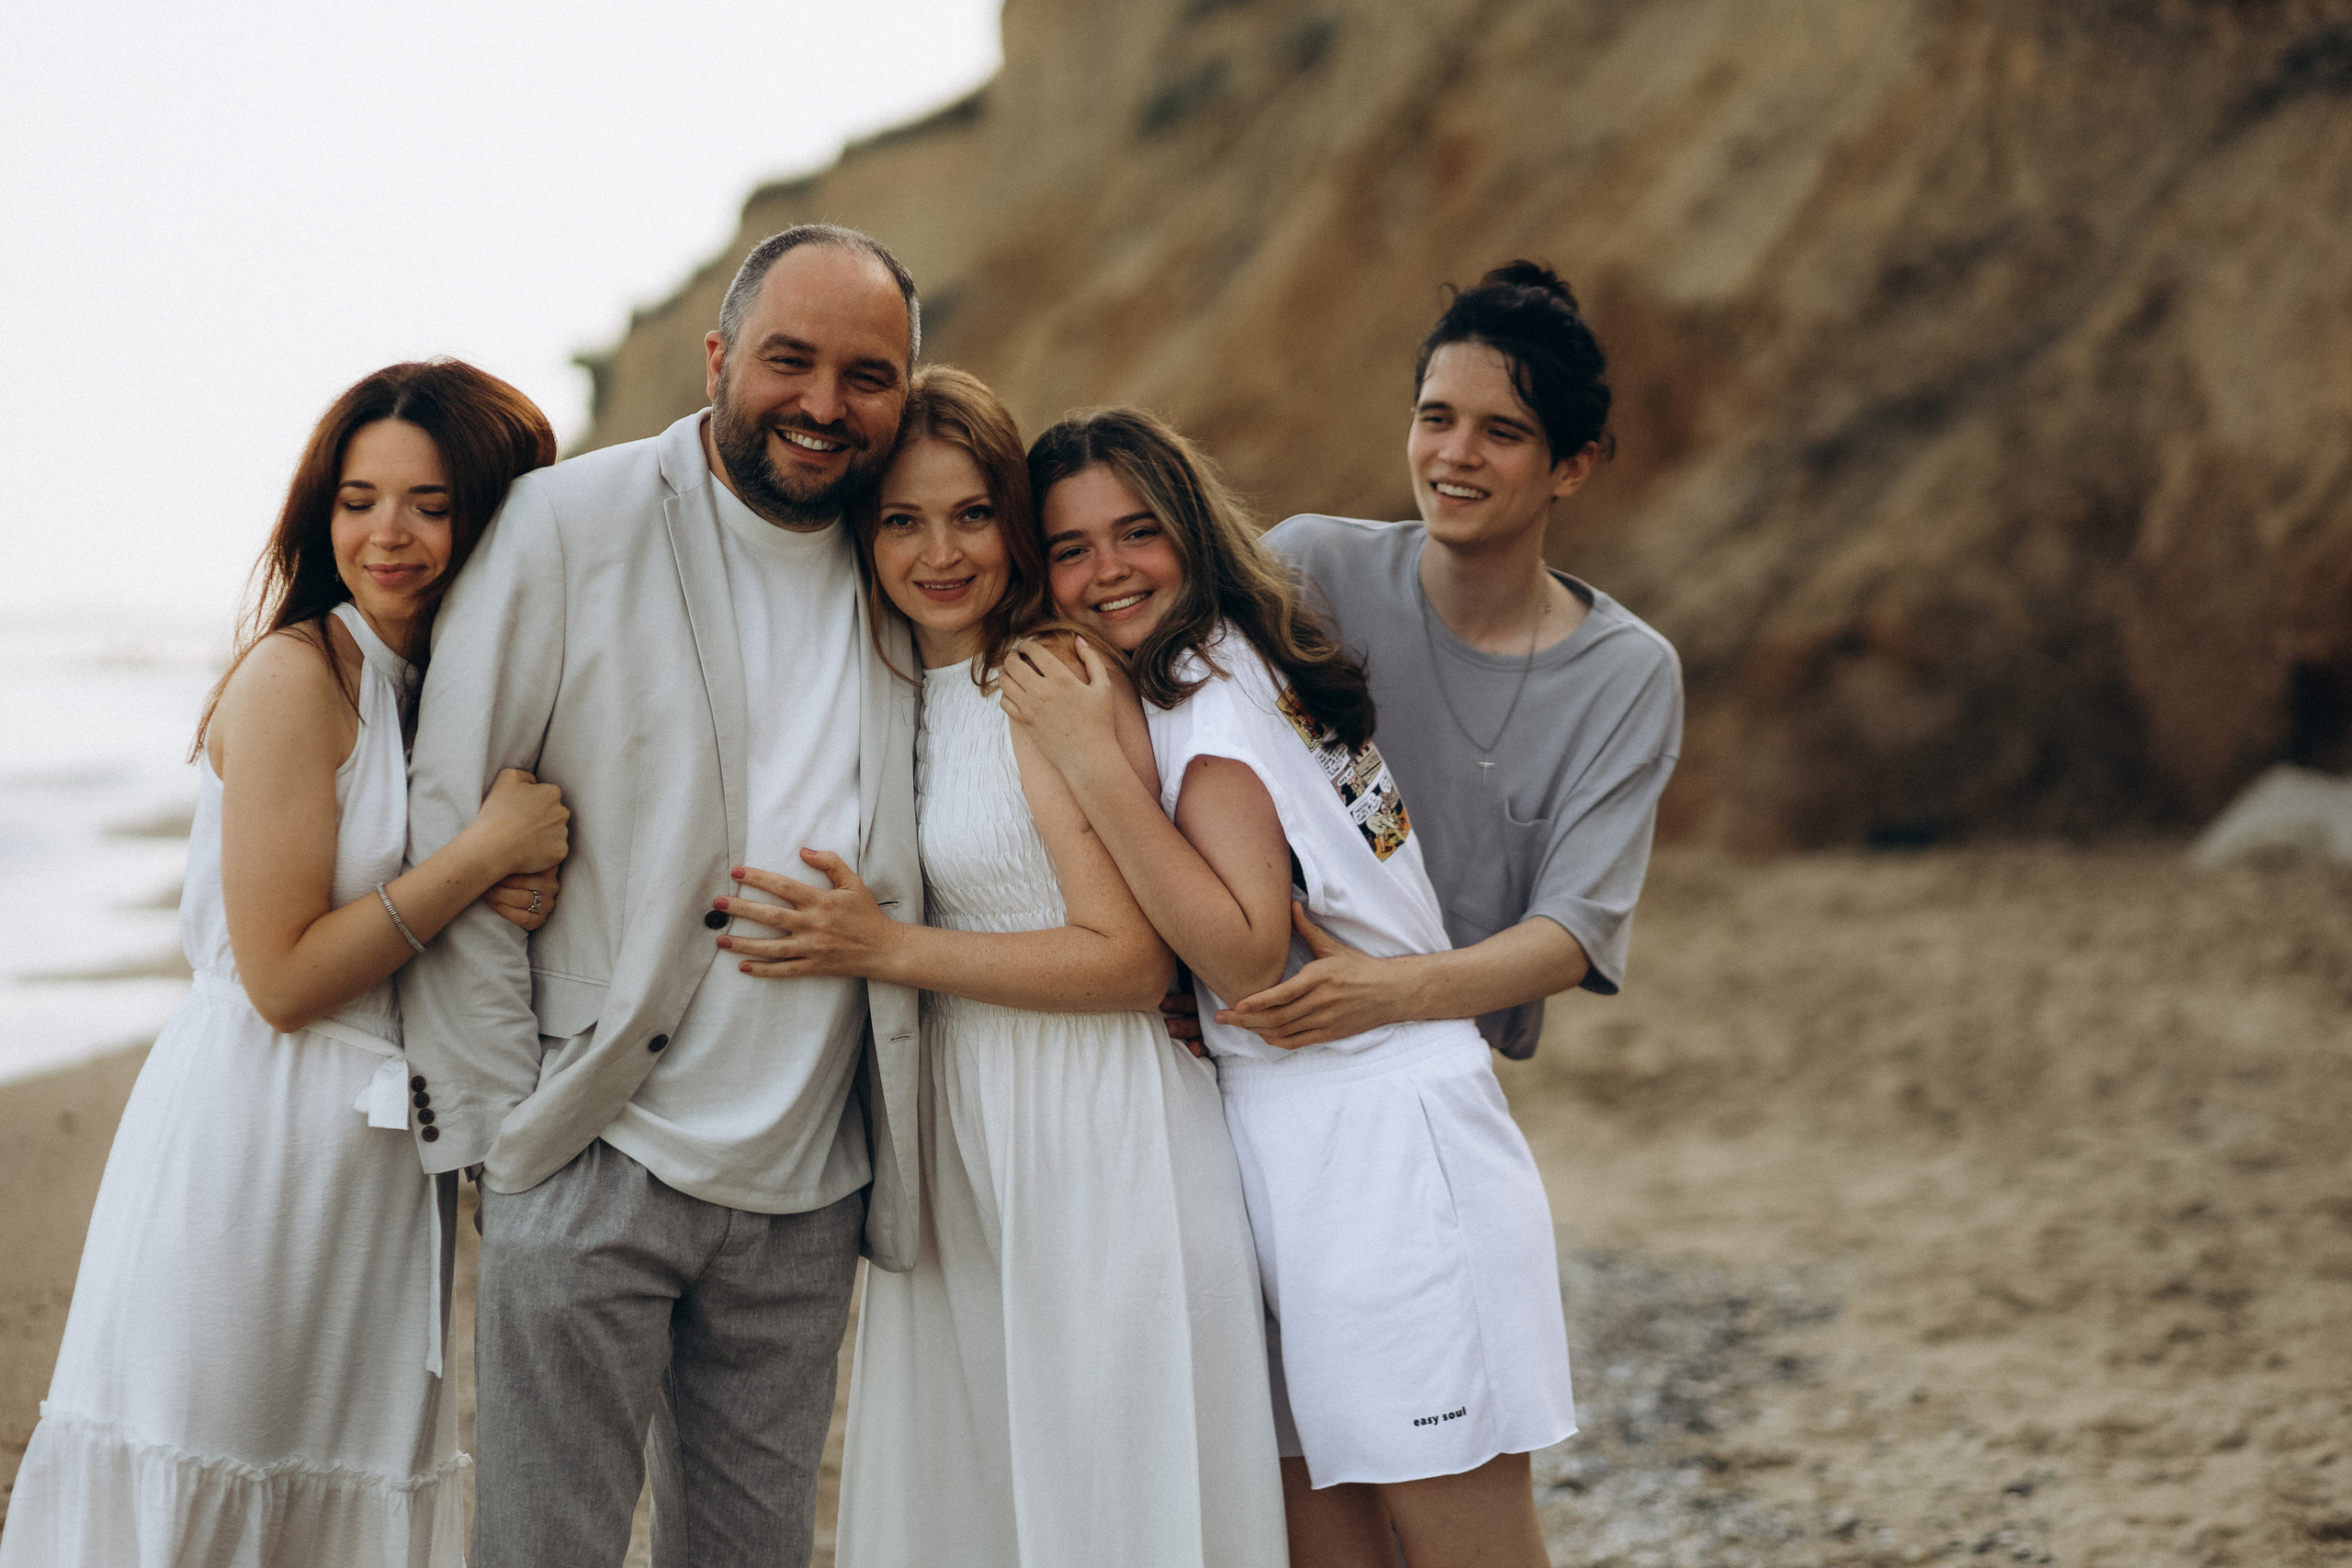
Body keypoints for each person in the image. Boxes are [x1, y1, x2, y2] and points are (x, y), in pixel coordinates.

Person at [396, 224, 924, 1568]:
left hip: (810, 1184)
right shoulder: (570, 525)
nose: (823, 404)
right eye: (788, 359)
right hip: (592, 1147)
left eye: (868, 374)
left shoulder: (911, 554)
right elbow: (454, 809)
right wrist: (501, 1139)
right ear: (717, 357)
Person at [712, 366, 1287, 1567]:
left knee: (1104, 1484)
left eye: (972, 513)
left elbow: (1132, 960)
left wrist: (887, 948)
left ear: (1012, 523)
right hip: (956, 1128)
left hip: (1095, 1127)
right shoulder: (876, 687)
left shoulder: (1047, 678)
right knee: (981, 1487)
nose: (940, 551)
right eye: (903, 519)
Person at [0, 360, 566, 1568]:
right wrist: (480, 860)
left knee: (333, 1484)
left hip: (374, 1153)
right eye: (359, 498)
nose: (389, 533)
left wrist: (505, 875)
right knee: (218, 1468)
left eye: (430, 502)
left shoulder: (441, 688)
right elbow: (285, 974)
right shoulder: (296, 678)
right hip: (250, 1136)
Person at [1000, 408, 1571, 1568]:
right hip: (1308, 1144)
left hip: (1384, 1154)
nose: (1107, 570)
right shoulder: (1240, 662)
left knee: (1464, 1546)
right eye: (1070, 548)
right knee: (1325, 1539)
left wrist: (1085, 759)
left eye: (1137, 533)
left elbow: (1247, 953)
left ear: (1193, 534)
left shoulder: (1207, 698)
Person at [1205, 261, 1682, 1061]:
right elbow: (1181, 757)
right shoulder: (1306, 573)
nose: (1457, 453)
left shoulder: (1626, 676)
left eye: (1503, 432)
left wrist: (1387, 993)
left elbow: (1573, 930)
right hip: (1258, 1043)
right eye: (1437, 418)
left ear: (1573, 465)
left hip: (1447, 1063)